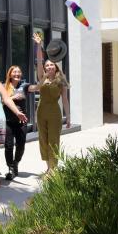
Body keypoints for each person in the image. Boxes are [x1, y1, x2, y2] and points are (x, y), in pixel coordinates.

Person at [33, 33, 70, 172]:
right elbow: (39, 60)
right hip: (41, 112)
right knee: (43, 139)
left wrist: (68, 117)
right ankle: (48, 168)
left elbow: (65, 100)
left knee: (53, 140)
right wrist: (39, 46)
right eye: (47, 65)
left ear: (56, 67)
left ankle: (53, 169)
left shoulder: (61, 79)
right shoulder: (41, 78)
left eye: (51, 65)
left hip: (55, 113)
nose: (48, 67)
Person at [3, 65, 36, 180]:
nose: (17, 74)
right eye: (14, 72)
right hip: (7, 121)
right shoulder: (4, 87)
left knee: (21, 145)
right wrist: (13, 97)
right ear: (10, 74)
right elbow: (2, 101)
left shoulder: (25, 86)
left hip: (21, 121)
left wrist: (45, 76)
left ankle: (16, 162)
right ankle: (10, 168)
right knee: (8, 146)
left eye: (19, 72)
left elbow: (36, 88)